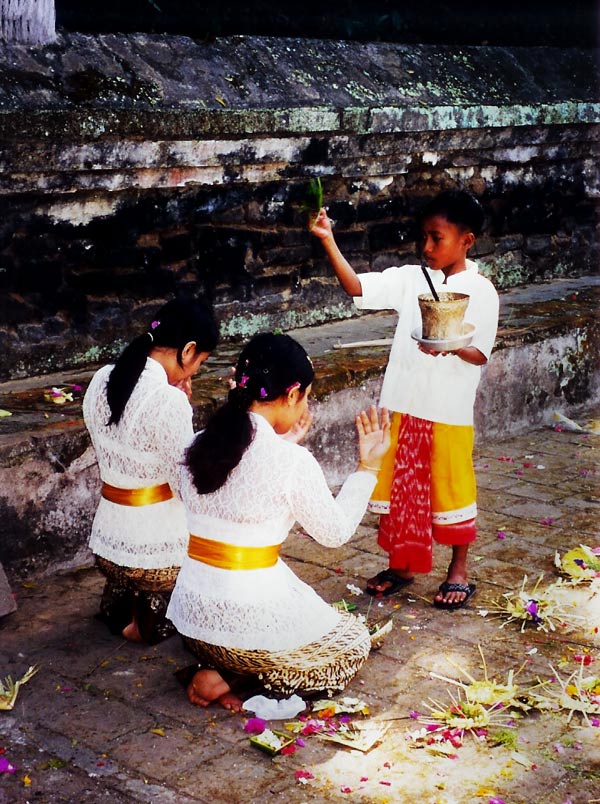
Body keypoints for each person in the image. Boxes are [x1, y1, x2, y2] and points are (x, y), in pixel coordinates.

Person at [167, 332, 391, 711]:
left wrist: (285, 446)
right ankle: (233, 678)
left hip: (192, 618)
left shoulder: (198, 442)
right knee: (351, 646)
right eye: (305, 396)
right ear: (291, 395)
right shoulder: (290, 462)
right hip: (243, 617)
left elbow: (234, 482)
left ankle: (223, 667)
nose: (304, 405)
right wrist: (367, 467)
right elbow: (334, 534)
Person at [311, 189, 499, 609]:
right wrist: (328, 240)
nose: (428, 247)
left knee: (450, 488)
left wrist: (448, 345)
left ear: (467, 240)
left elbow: (480, 352)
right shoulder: (411, 278)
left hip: (447, 410)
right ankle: (403, 565)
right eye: (424, 238)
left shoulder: (481, 290)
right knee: (400, 490)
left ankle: (458, 570)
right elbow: (357, 286)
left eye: (438, 238)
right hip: (401, 402)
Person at [83, 298, 219, 644]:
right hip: (153, 555)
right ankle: (143, 620)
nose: (195, 371)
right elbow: (188, 486)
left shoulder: (101, 379)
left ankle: (122, 604)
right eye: (199, 362)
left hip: (107, 539)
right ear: (188, 351)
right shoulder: (166, 400)